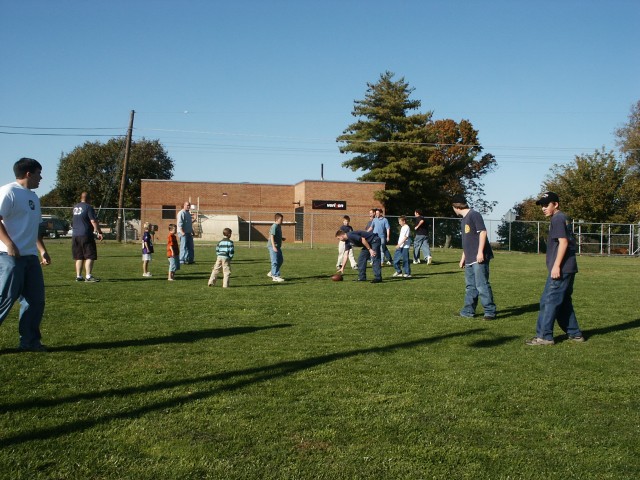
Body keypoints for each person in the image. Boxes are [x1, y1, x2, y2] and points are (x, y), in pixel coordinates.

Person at [0, 158, 51, 351]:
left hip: (30, 258)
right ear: (28, 173)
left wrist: (42, 250)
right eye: (39, 173)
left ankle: (29, 342)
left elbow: (33, 228)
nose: (41, 178)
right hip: (8, 256)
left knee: (35, 301)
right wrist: (9, 244)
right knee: (4, 298)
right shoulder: (9, 191)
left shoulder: (33, 197)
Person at [526, 192, 584, 345]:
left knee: (548, 301)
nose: (543, 208)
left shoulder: (558, 219)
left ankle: (544, 336)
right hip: (569, 267)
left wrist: (556, 266)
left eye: (546, 205)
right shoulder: (562, 218)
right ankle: (575, 333)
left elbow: (563, 243)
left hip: (562, 268)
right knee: (564, 302)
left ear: (555, 204)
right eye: (542, 206)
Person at [452, 194, 497, 320]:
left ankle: (490, 312)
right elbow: (467, 241)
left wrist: (480, 252)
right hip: (470, 259)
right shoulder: (464, 220)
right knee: (470, 286)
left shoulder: (474, 215)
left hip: (479, 257)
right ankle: (468, 311)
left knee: (482, 285)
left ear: (456, 206)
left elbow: (482, 232)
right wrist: (463, 258)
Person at [72, 191, 103, 282]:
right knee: (90, 255)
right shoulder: (88, 207)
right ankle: (88, 276)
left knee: (79, 256)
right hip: (85, 234)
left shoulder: (75, 207)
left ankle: (79, 276)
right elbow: (93, 221)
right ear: (89, 199)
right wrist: (99, 232)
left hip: (75, 235)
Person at [267, 213, 285, 282]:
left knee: (280, 260)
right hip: (273, 246)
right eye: (281, 219)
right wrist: (274, 247)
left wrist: (281, 238)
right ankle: (275, 276)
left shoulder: (279, 226)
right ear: (277, 219)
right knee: (275, 261)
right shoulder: (274, 226)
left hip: (277, 246)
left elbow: (276, 235)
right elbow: (271, 236)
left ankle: (272, 272)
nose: (282, 221)